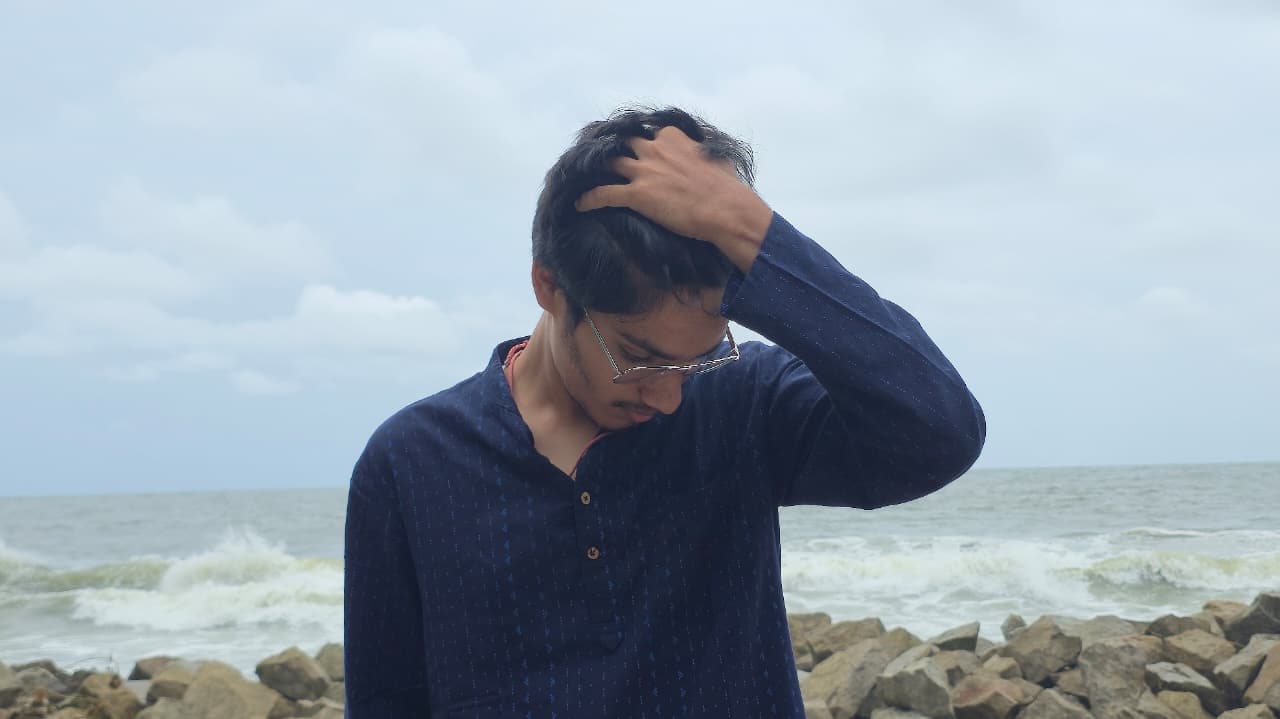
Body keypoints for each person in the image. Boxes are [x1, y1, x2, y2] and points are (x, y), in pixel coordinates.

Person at [344, 106, 986, 718]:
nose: (669, 396)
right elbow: (385, 701)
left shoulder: (746, 399)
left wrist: (754, 231)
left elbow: (939, 432)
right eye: (639, 357)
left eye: (700, 359)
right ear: (549, 287)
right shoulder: (412, 461)